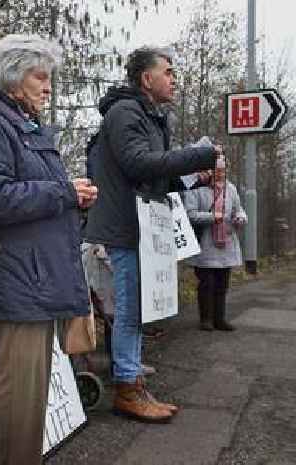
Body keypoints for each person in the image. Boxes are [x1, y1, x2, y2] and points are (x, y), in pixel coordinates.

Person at [0, 34, 98, 465]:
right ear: (15, 76)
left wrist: (74, 198)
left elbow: (33, 192)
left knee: (33, 396)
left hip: (38, 278)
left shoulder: (23, 124)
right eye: (41, 76)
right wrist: (64, 192)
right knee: (18, 395)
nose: (48, 86)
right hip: (20, 279)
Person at [83, 46, 221, 423]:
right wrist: (199, 156)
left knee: (138, 306)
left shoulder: (149, 115)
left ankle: (131, 373)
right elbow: (137, 164)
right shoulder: (126, 112)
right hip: (124, 226)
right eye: (169, 71)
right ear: (147, 79)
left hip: (141, 225)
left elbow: (155, 174)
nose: (174, 78)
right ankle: (127, 387)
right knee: (129, 308)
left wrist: (194, 177)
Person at [184, 162, 247, 331]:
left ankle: (220, 319)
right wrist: (214, 217)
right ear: (209, 170)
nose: (220, 174)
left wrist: (240, 218)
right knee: (207, 283)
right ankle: (206, 319)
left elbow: (238, 209)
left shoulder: (230, 188)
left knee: (222, 284)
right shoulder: (196, 188)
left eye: (223, 170)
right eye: (217, 170)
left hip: (226, 244)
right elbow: (190, 214)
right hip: (205, 244)